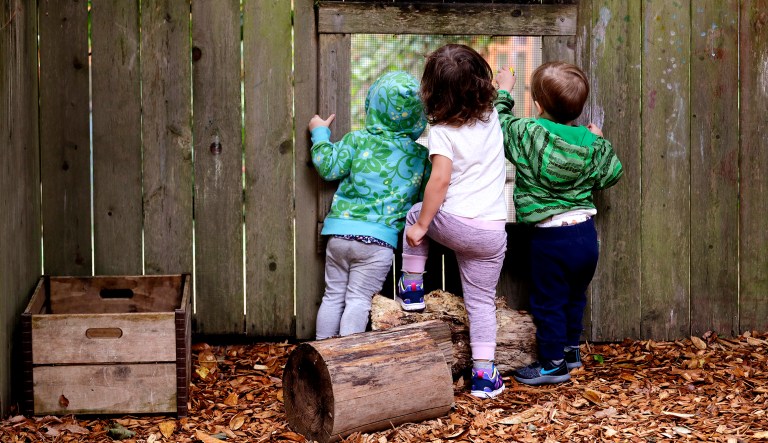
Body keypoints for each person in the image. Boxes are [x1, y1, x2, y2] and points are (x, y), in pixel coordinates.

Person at [494, 61, 623, 386]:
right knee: (574, 297)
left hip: (550, 238)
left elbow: (499, 124)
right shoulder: (590, 142)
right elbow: (612, 173)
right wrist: (601, 141)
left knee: (548, 301)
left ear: (538, 104)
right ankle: (570, 351)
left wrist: (505, 90)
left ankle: (552, 364)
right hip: (583, 236)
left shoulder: (529, 134)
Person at [396, 44, 509, 399]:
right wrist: (505, 86)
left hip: (456, 223)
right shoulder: (492, 116)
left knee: (416, 214)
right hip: (491, 234)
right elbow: (501, 99)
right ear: (481, 84)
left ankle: (412, 290)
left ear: (432, 93)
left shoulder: (442, 131)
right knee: (481, 303)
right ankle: (484, 375)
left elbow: (440, 180)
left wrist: (421, 225)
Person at [309, 71, 430, 340]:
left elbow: (328, 167)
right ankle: (346, 361)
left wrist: (319, 133)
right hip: (378, 242)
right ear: (418, 116)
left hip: (339, 235)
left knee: (332, 297)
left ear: (373, 105)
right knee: (359, 300)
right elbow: (427, 198)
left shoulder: (357, 140)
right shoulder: (420, 157)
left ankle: (321, 354)